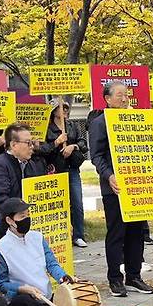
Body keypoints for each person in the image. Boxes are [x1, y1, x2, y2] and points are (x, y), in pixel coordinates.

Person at [89, 80, 153, 297]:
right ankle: (115, 279)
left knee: (137, 231)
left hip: (138, 185)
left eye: (126, 95)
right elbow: (96, 156)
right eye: (119, 95)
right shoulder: (100, 122)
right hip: (114, 187)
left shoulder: (135, 119)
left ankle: (134, 275)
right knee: (117, 233)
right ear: (107, 99)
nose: (125, 99)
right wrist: (109, 176)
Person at [0, 198, 74, 306]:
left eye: (28, 215)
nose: (27, 219)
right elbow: (1, 284)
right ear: (9, 221)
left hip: (46, 296)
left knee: (65, 296)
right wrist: (23, 288)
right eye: (22, 216)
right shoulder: (0, 248)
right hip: (24, 297)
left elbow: (51, 264)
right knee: (21, 302)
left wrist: (63, 277)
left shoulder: (37, 237)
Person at [36, 99, 88, 247]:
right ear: (53, 111)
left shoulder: (72, 125)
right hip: (54, 171)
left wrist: (73, 146)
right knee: (57, 205)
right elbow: (40, 150)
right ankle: (60, 235)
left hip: (72, 169)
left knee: (77, 202)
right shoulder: (46, 128)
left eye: (66, 107)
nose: (65, 110)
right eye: (61, 108)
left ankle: (78, 235)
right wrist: (56, 142)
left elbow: (83, 143)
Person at [0, 123, 47, 239]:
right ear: (13, 145)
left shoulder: (30, 164)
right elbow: (1, 203)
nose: (32, 147)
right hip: (3, 227)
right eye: (28, 143)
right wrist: (18, 221)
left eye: (32, 143)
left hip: (26, 222)